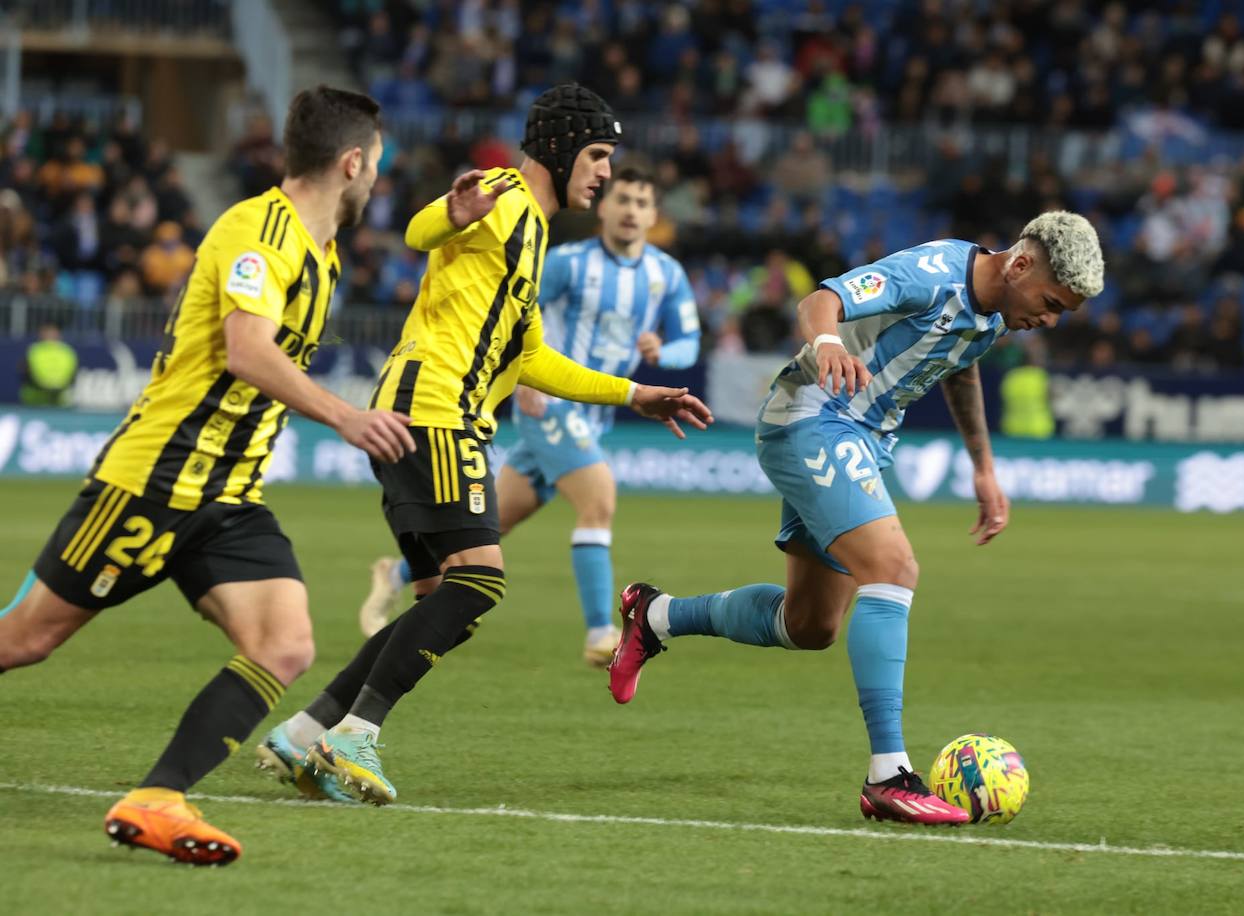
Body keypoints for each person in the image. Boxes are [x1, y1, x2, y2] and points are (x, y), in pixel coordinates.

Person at [258, 84, 712, 806]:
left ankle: (308, 731)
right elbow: (418, 231)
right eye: (597, 156)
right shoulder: (502, 193)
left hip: (422, 411)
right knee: (479, 580)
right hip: (435, 411)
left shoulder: (533, 234)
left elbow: (532, 359)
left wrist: (636, 394)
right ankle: (355, 735)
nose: (603, 173)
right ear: (561, 150)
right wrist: (450, 210)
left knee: (439, 595)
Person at [0, 86, 403, 865]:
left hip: (229, 496)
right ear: (352, 163)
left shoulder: (319, 251)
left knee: (284, 644)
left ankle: (157, 798)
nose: (377, 180)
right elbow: (247, 350)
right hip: (155, 479)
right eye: (376, 165)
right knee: (24, 640)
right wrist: (347, 417)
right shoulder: (259, 231)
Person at [607, 212, 1104, 826]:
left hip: (859, 441)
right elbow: (821, 300)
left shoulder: (993, 311)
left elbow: (960, 362)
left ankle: (654, 614)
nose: (1049, 321)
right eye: (1052, 303)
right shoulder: (931, 273)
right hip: (812, 418)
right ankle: (889, 776)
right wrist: (829, 343)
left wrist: (983, 466)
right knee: (893, 567)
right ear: (1021, 265)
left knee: (810, 624)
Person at [357, 167, 702, 667]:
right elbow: (511, 318)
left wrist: (664, 353)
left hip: (596, 413)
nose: (630, 210)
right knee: (599, 499)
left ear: (654, 215)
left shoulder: (665, 274)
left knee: (482, 533)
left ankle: (395, 575)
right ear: (603, 208)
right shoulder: (564, 261)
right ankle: (602, 633)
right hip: (551, 407)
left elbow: (689, 341)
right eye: (621, 199)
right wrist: (518, 377)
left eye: (641, 202)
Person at [19, 322, 79, 406]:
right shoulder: (34, 351)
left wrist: (58, 386)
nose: (50, 335)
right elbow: (26, 372)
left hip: (59, 397)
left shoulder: (67, 351)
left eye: (52, 332)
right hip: (36, 397)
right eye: (47, 333)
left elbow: (73, 373)